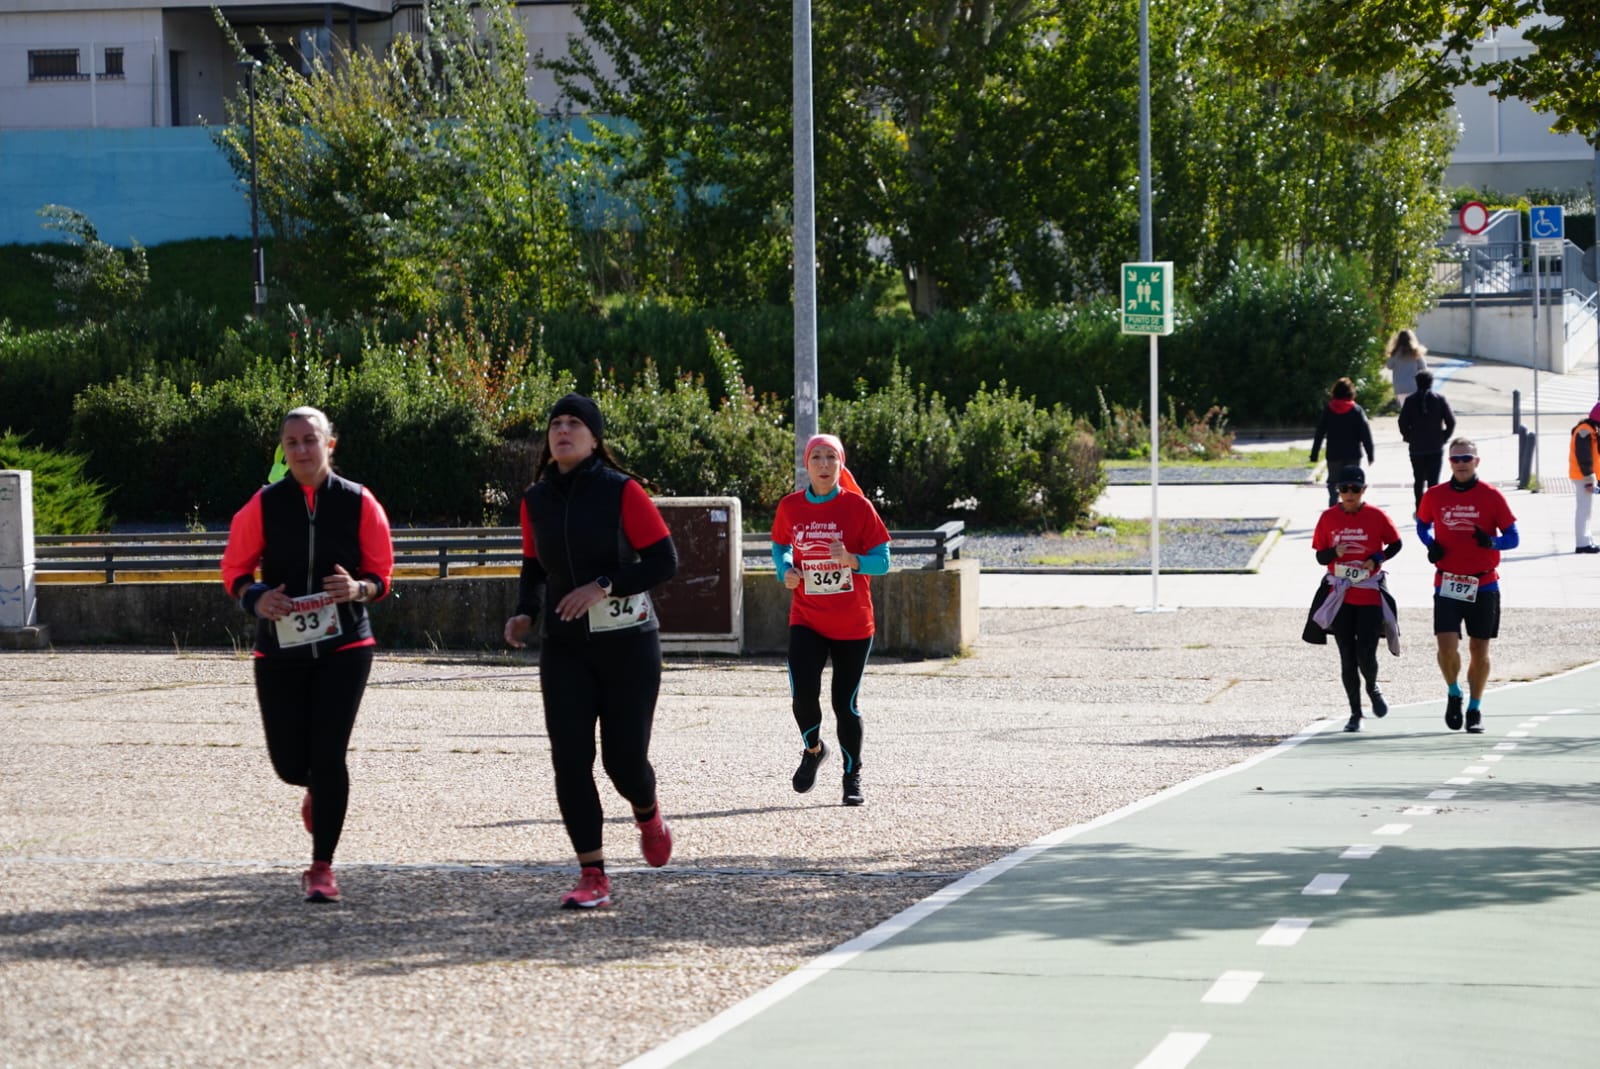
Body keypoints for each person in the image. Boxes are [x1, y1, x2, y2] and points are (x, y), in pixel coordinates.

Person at [503, 394, 678, 910]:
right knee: (571, 761)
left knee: (624, 762)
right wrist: (525, 612)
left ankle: (647, 813)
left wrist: (604, 585)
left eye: (574, 423)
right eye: (555, 423)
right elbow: (535, 567)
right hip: (565, 648)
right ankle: (592, 873)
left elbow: (663, 561)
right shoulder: (535, 499)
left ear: (595, 437)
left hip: (628, 645)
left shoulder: (622, 491)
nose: (562, 431)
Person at [220, 406, 395, 904]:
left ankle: (322, 867)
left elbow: (381, 576)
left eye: (310, 440)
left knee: (329, 754)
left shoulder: (360, 502)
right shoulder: (264, 504)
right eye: (291, 442)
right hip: (280, 646)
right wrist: (257, 599)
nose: (301, 450)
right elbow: (235, 571)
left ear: (329, 445)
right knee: (291, 764)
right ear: (283, 449)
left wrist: (356, 589)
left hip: (346, 645)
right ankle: (313, 787)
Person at [771, 434, 892, 806]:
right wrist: (785, 569)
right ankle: (813, 750)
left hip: (853, 624)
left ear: (840, 464)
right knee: (803, 695)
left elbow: (883, 562)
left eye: (830, 458)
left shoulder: (858, 507)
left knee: (845, 704)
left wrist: (853, 561)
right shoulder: (790, 507)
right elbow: (780, 545)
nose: (824, 464)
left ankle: (851, 776)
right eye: (817, 457)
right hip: (807, 617)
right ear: (806, 465)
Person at [1416, 438, 1519, 734]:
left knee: (1479, 649)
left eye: (1466, 458)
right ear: (1449, 462)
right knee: (1446, 646)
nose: (1461, 463)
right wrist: (1430, 544)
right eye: (1455, 458)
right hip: (1447, 581)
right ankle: (1453, 692)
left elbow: (1513, 536)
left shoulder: (1492, 496)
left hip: (1484, 583)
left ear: (1477, 461)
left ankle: (1475, 708)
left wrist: (1492, 542)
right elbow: (1422, 525)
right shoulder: (1435, 495)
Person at [1309, 466, 1402, 732]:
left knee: (1366, 655)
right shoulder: (1328, 518)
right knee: (1347, 658)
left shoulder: (1376, 516)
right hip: (1340, 596)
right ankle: (1355, 713)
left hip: (1369, 593)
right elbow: (1320, 557)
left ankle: (1372, 686)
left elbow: (1395, 544)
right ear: (1337, 491)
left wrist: (1377, 559)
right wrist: (1333, 552)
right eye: (1344, 489)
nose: (1349, 494)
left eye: (1355, 489)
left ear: (1364, 490)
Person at [1397, 370, 1457, 514]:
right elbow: (1451, 421)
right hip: (1435, 445)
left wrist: (1408, 437)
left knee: (1418, 479)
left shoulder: (1410, 400)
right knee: (1433, 481)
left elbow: (1402, 422)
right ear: (1431, 382)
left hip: (1417, 446)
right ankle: (1433, 508)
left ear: (1416, 383)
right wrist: (1443, 437)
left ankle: (1419, 508)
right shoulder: (1439, 399)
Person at [1309, 377, 1375, 508]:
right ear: (1351, 392)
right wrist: (1370, 453)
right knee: (1353, 482)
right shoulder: (1356, 410)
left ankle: (1333, 506)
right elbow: (1365, 434)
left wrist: (1314, 453)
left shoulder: (1329, 410)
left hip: (1334, 453)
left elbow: (1319, 432)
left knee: (1333, 482)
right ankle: (1353, 507)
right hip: (1353, 453)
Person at [1568, 401, 1600, 554]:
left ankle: (1586, 539)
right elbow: (1584, 458)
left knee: (1587, 510)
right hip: (1583, 476)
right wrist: (1589, 480)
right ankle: (1582, 543)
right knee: (1583, 510)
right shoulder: (1584, 432)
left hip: (1585, 476)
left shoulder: (1590, 430)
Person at [1385, 328, 1428, 409]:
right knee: (1415, 409)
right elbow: (1424, 368)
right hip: (1414, 385)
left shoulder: (1395, 353)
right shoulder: (1416, 353)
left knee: (1405, 409)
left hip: (1399, 386)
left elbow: (1389, 366)